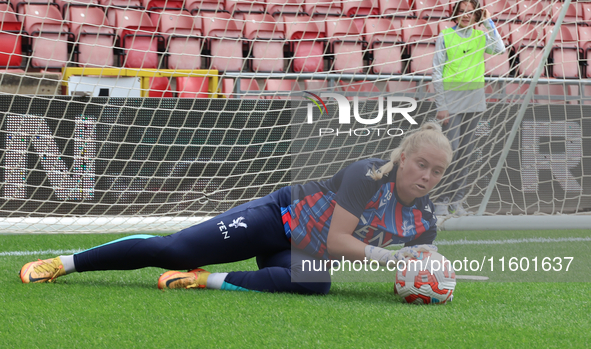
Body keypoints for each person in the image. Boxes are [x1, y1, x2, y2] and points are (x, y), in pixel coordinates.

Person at [20, 122, 453, 295]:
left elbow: (421, 264)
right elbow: (340, 239)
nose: (427, 176)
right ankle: (64, 263)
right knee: (174, 250)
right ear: (402, 158)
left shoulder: (426, 216)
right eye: (421, 164)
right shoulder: (367, 174)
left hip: (301, 253)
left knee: (316, 283)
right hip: (275, 219)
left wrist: (428, 274)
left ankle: (207, 280)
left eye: (437, 172)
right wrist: (392, 257)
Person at [432, 0, 505, 216]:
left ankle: (457, 201)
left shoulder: (480, 36)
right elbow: (437, 72)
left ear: (476, 16)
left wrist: (489, 21)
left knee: (466, 153)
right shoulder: (445, 35)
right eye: (462, 11)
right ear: (455, 14)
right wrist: (441, 105)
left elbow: (500, 49)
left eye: (471, 13)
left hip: (474, 100)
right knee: (450, 151)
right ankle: (442, 200)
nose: (466, 15)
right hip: (451, 101)